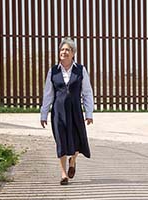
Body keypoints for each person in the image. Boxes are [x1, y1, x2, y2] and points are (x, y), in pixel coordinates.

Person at [40, 37, 94, 185]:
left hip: (76, 110)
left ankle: (73, 160)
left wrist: (89, 113)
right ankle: (63, 174)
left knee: (78, 140)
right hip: (58, 112)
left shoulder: (81, 70)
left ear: (73, 53)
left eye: (67, 50)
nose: (64, 52)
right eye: (62, 49)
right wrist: (44, 114)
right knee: (61, 141)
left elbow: (87, 93)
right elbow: (48, 94)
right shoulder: (53, 71)